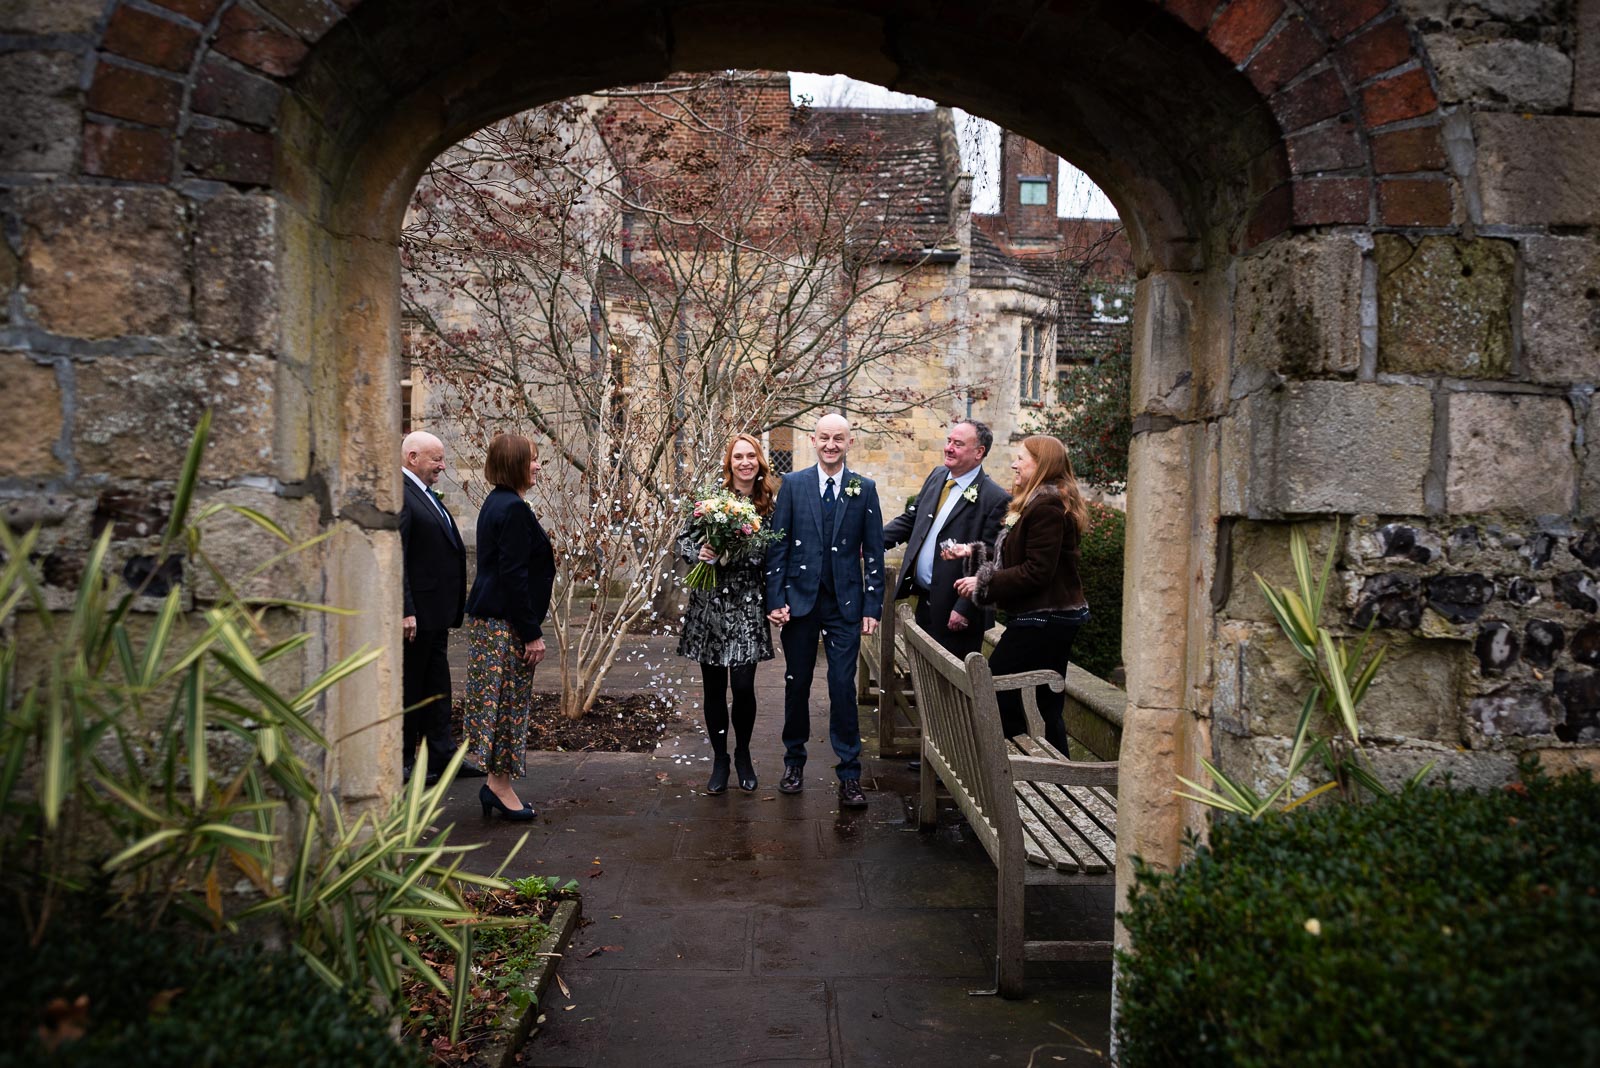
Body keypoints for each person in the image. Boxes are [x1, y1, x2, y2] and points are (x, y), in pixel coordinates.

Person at [765, 413, 886, 808]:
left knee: (841, 687)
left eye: (839, 439)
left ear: (849, 443)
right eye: (824, 438)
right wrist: (776, 598)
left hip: (845, 604)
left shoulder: (863, 489)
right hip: (800, 600)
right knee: (797, 683)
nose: (831, 445)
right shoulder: (794, 485)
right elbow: (778, 546)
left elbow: (874, 553)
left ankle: (850, 773)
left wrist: (873, 606)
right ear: (813, 440)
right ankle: (793, 762)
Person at [949, 435, 1090, 756]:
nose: (1014, 464)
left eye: (1021, 459)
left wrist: (982, 582)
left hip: (1046, 621)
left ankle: (1024, 773)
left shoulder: (1048, 507)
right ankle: (1045, 776)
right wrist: (973, 551)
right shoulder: (1036, 502)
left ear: (1042, 466)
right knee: (1042, 703)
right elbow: (1016, 554)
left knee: (997, 691)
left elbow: (1036, 571)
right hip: (1043, 618)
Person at [678, 434, 780, 795]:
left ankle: (743, 753)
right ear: (729, 462)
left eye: (751, 455)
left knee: (743, 686)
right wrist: (701, 551)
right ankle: (720, 758)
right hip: (711, 603)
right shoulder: (710, 500)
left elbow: (775, 554)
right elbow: (683, 540)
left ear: (760, 461)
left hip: (748, 601)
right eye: (738, 456)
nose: (745, 462)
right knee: (714, 688)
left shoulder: (770, 504)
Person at [463, 433, 555, 821]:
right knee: (507, 706)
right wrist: (531, 631)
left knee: (503, 703)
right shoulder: (513, 508)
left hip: (496, 621)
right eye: (532, 459)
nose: (537, 466)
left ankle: (494, 784)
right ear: (515, 463)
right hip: (505, 626)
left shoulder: (499, 502)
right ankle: (499, 786)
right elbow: (513, 575)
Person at [882, 420, 1010, 659]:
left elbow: (991, 558)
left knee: (949, 689)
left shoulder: (996, 498)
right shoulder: (938, 476)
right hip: (924, 599)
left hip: (956, 612)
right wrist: (872, 543)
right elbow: (911, 520)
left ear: (979, 452)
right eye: (949, 441)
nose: (948, 448)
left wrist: (964, 608)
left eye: (958, 444)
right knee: (921, 676)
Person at [399, 430, 476, 787]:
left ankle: (443, 755)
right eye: (436, 459)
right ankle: (403, 761)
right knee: (411, 689)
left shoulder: (424, 493)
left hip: (437, 613)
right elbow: (396, 554)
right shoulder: (401, 494)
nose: (442, 466)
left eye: (442, 459)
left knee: (437, 687)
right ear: (412, 457)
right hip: (417, 615)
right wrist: (405, 608)